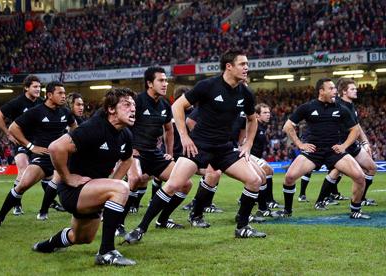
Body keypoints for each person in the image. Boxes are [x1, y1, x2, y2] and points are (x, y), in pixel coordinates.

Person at [124, 50, 266, 243]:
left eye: (247, 63)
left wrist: (248, 144)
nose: (246, 67)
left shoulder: (245, 93)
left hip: (224, 148)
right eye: (242, 64)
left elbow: (252, 119)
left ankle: (242, 227)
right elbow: (177, 106)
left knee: (255, 180)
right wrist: (185, 137)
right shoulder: (208, 86)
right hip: (199, 146)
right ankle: (140, 229)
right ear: (229, 66)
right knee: (174, 184)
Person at [32, 88, 137, 266]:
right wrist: (67, 177)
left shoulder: (125, 134)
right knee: (121, 187)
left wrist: (111, 183)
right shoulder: (95, 127)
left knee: (81, 237)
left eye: (134, 105)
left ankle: (45, 245)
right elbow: (56, 148)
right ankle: (106, 252)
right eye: (127, 105)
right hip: (74, 191)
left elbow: (127, 160)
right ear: (111, 109)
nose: (133, 109)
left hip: (93, 190)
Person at [275, 78, 369, 219]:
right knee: (289, 177)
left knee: (360, 177)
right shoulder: (307, 107)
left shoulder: (341, 108)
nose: (335, 91)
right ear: (321, 91)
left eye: (334, 88)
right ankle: (287, 211)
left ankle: (355, 211)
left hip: (334, 151)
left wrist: (344, 146)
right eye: (331, 88)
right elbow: (287, 126)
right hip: (314, 151)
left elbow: (355, 130)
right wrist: (300, 144)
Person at [0, 81, 76, 228]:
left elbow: (75, 128)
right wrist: (30, 146)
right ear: (49, 95)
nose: (63, 96)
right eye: (60, 93)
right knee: (22, 186)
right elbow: (13, 127)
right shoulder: (37, 111)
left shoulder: (65, 112)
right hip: (42, 158)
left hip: (60, 158)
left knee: (73, 183)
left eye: (64, 93)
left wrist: (71, 143)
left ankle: (48, 211)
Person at [117, 67, 192, 236]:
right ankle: (118, 224)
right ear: (149, 83)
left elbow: (169, 130)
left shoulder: (165, 104)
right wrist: (129, 149)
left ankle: (163, 220)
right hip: (134, 152)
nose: (165, 84)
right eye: (161, 80)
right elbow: (121, 126)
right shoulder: (137, 101)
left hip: (153, 153)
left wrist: (170, 153)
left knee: (185, 183)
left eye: (166, 80)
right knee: (135, 179)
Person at [313, 78, 377, 210]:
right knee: (336, 172)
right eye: (352, 89)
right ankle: (320, 201)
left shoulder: (351, 106)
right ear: (344, 92)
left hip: (352, 145)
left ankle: (361, 198)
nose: (356, 91)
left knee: (371, 168)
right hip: (341, 145)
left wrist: (365, 142)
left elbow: (357, 126)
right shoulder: (336, 105)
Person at [0, 75, 43, 216]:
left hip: (39, 142)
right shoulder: (17, 102)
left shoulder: (42, 103)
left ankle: (49, 203)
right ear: (26, 87)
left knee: (48, 172)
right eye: (35, 86)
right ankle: (17, 205)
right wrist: (8, 134)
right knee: (22, 168)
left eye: (39, 86)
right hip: (21, 141)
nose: (38, 89)